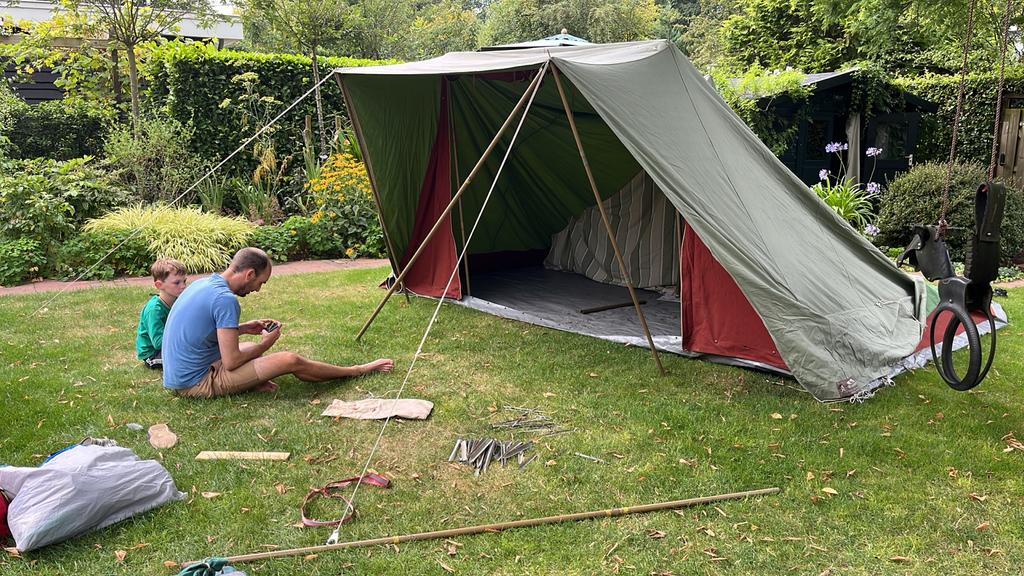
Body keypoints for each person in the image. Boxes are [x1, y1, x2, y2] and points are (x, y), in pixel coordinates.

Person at [162, 247, 394, 398]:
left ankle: (253, 380)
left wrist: (241, 329)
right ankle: (356, 371)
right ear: (250, 274)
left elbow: (202, 332)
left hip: (180, 376)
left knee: (249, 350)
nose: (258, 289)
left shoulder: (205, 283)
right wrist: (266, 343)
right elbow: (231, 362)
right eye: (260, 282)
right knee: (288, 359)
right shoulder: (225, 299)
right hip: (195, 383)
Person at [136, 258, 188, 370]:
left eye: (184, 281)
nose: (183, 286)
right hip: (153, 354)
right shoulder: (154, 310)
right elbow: (158, 342)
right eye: (177, 282)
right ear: (159, 285)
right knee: (189, 359)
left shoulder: (177, 301)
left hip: (170, 346)